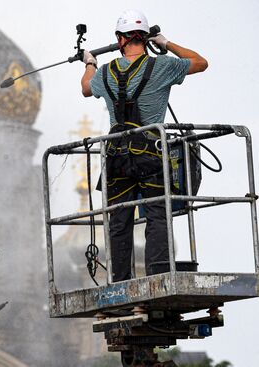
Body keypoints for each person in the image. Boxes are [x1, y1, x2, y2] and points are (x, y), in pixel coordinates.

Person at [80, 10, 208, 282]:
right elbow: (200, 62)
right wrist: (166, 44)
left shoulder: (105, 72)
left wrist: (90, 62)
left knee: (119, 221)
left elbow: (86, 87)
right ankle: (159, 276)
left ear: (119, 38)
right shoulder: (162, 67)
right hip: (150, 155)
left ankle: (120, 281)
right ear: (146, 37)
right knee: (157, 215)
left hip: (116, 158)